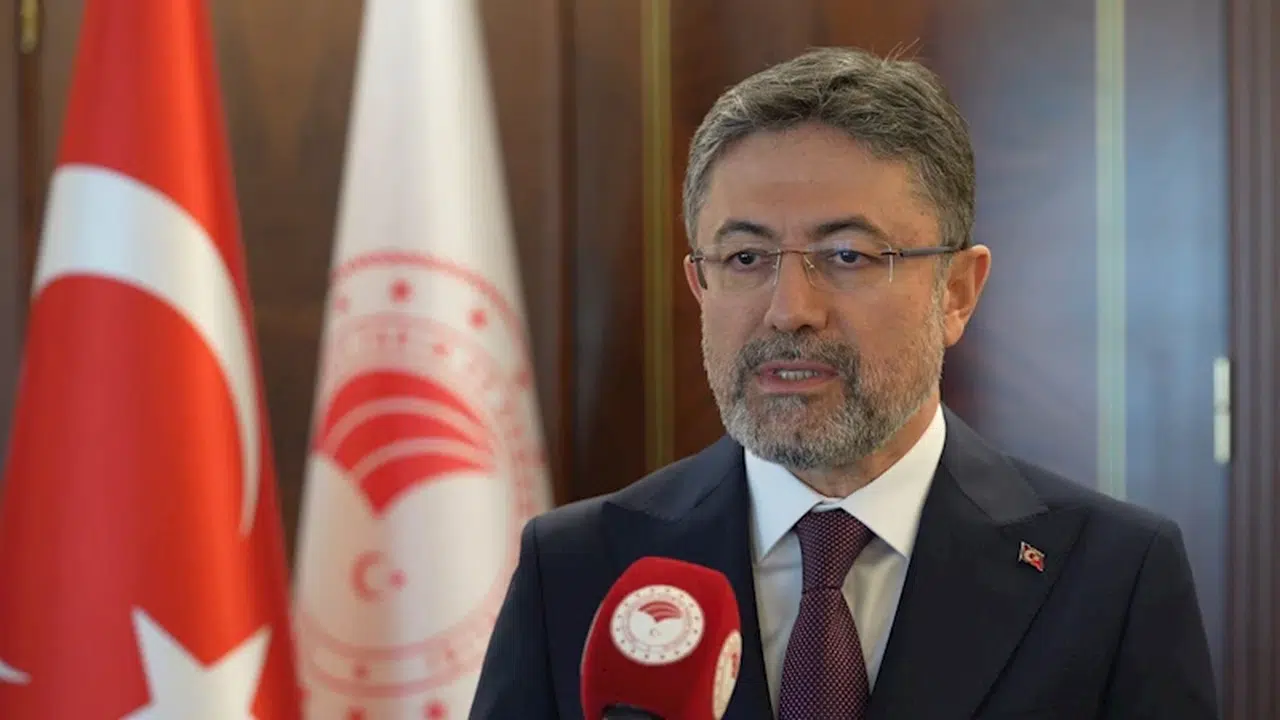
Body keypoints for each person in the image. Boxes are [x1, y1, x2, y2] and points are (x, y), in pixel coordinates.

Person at [469, 46, 1219, 720]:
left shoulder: (1113, 575)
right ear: (700, 285)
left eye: (849, 255)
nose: (790, 310)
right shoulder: (577, 569)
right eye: (745, 259)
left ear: (957, 293)